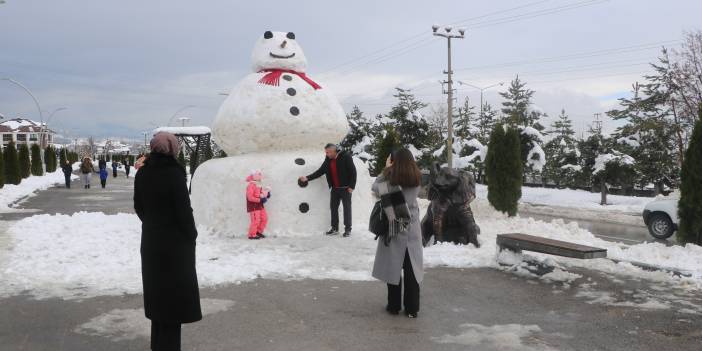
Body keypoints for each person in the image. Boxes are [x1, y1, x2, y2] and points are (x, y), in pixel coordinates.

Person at [134, 132, 201, 351]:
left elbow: (139, 206)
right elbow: (184, 211)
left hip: (152, 243)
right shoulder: (174, 173)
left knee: (158, 300)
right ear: (172, 148)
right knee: (174, 302)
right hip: (175, 247)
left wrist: (154, 224)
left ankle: (158, 346)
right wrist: (191, 234)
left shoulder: (142, 173)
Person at [371, 148, 423, 319]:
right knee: (411, 269)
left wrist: (386, 168)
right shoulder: (416, 175)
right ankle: (412, 308)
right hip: (412, 226)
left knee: (393, 266)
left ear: (393, 161)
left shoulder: (390, 176)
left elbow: (376, 187)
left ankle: (393, 305)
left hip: (394, 224)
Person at [298, 144, 357, 237]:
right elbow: (320, 171)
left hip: (346, 188)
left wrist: (351, 187)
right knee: (333, 208)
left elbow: (353, 172)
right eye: (326, 152)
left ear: (335, 151)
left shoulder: (346, 157)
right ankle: (334, 228)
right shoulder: (328, 159)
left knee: (347, 209)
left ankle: (348, 229)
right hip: (335, 189)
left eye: (328, 152)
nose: (327, 154)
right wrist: (307, 178)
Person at [246, 170, 271, 240]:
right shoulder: (250, 186)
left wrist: (267, 194)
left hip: (260, 205)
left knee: (264, 219)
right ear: (254, 177)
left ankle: (258, 231)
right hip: (254, 206)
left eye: (260, 176)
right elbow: (250, 197)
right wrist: (260, 200)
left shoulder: (258, 185)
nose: (260, 178)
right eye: (259, 176)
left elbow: (261, 193)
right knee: (255, 221)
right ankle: (251, 234)